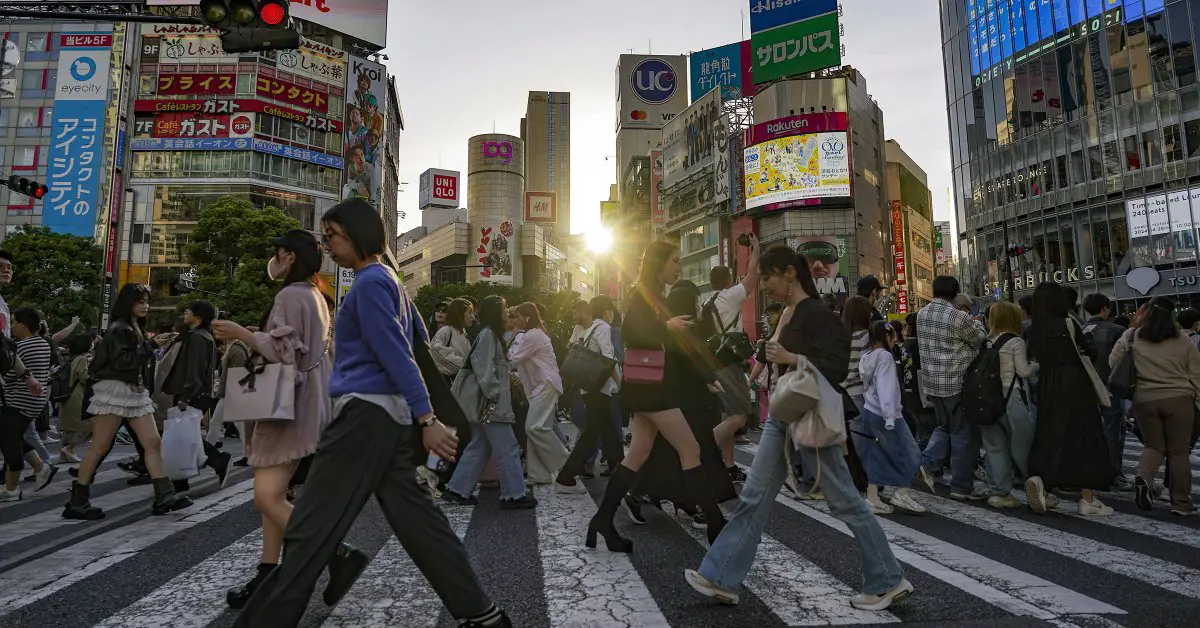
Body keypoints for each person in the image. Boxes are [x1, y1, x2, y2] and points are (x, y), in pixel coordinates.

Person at [233, 199, 511, 628]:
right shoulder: (390, 282)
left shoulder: (368, 284)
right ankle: (481, 613)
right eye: (325, 238)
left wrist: (427, 418)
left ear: (359, 234)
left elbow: (399, 354)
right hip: (385, 421)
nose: (326, 246)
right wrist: (420, 415)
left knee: (310, 528)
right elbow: (416, 345)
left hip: (363, 419)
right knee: (421, 525)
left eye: (333, 236)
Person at [685, 245, 911, 610]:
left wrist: (792, 357)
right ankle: (721, 576)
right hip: (782, 417)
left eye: (768, 277)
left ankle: (888, 578)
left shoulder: (816, 312)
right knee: (754, 499)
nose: (764, 285)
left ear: (789, 273)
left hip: (807, 416)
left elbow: (836, 366)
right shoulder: (789, 311)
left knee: (846, 502)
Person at [213, 229, 339, 609]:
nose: (275, 259)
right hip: (308, 404)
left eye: (278, 253)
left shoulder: (289, 294)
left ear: (289, 257)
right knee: (275, 496)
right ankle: (268, 573)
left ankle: (336, 553)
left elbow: (284, 355)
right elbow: (297, 349)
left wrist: (242, 335)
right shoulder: (315, 295)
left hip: (283, 408)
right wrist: (261, 337)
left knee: (267, 497)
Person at [588, 242, 729, 552]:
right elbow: (633, 334)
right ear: (659, 263)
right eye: (674, 261)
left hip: (645, 387)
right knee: (689, 448)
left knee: (637, 453)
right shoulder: (642, 293)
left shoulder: (648, 292)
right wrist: (669, 326)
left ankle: (602, 519)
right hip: (651, 389)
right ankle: (716, 523)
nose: (678, 267)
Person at [62, 284, 191, 519]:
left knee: (152, 442)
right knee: (100, 446)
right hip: (115, 390)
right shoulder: (120, 328)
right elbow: (123, 361)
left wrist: (150, 348)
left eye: (146, 301)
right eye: (140, 302)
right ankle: (77, 501)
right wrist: (153, 345)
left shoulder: (130, 327)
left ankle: (164, 495)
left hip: (132, 391)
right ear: (128, 303)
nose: (145, 306)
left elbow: (130, 362)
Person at [1024, 282, 1115, 516]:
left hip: (1048, 383)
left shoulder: (1035, 327)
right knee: (1085, 435)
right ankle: (1088, 499)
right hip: (1075, 384)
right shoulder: (1069, 322)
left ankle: (1040, 481)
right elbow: (1089, 352)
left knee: (1049, 432)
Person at [1108, 296, 1200, 516]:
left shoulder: (1131, 336)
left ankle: (1144, 477)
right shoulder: (1182, 339)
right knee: (1178, 452)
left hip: (1144, 399)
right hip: (1179, 398)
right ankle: (1181, 503)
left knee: (1154, 446)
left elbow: (1113, 362)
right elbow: (1197, 374)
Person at [442, 295, 534, 509]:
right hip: (490, 405)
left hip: (486, 404)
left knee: (479, 446)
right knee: (508, 446)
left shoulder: (489, 334)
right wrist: (494, 393)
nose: (506, 312)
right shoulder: (488, 334)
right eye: (503, 308)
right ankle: (514, 494)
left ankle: (457, 489)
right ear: (495, 311)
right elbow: (483, 367)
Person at [914, 276, 986, 501]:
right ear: (955, 293)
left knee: (944, 427)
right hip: (956, 383)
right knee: (964, 434)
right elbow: (979, 340)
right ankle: (961, 486)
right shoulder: (958, 316)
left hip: (932, 384)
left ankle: (926, 465)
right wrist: (978, 322)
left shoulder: (921, 315)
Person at [704, 235, 760, 482]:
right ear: (728, 281)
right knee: (739, 415)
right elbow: (752, 278)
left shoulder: (709, 301)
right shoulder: (730, 296)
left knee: (728, 415)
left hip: (715, 363)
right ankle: (701, 451)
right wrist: (756, 249)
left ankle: (728, 465)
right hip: (729, 363)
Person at [555, 297, 624, 493]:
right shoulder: (602, 328)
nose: (611, 315)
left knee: (607, 430)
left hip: (586, 387)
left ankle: (621, 469)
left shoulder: (581, 329)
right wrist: (620, 384)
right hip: (601, 388)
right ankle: (565, 477)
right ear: (604, 311)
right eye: (610, 311)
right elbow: (609, 360)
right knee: (592, 433)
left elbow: (572, 350)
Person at [162, 300, 231, 492]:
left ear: (198, 316)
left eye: (188, 311)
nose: (185, 314)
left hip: (192, 392)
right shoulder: (202, 336)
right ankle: (180, 482)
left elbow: (194, 369)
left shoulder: (198, 338)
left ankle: (217, 461)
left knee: (184, 435)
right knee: (187, 434)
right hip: (198, 392)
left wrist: (186, 395)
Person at [857, 320, 925, 514]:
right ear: (887, 337)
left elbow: (870, 386)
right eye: (893, 336)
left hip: (870, 410)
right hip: (888, 414)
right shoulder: (885, 357)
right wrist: (889, 416)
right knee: (912, 453)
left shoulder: (867, 356)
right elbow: (886, 387)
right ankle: (902, 494)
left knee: (875, 455)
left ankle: (872, 498)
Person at [979, 301, 1038, 509]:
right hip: (1010, 396)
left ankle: (999, 492)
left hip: (986, 398)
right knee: (1023, 441)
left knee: (994, 446)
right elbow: (1023, 371)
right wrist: (1036, 365)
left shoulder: (986, 341)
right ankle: (1035, 483)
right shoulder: (1015, 341)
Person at [507, 302, 568, 485]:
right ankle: (538, 475)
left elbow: (514, 358)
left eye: (517, 316)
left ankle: (567, 464)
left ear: (526, 317)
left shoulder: (533, 335)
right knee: (538, 429)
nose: (515, 319)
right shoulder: (533, 333)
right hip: (541, 385)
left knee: (534, 427)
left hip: (545, 384)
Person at [1081, 293, 1132, 490]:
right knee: (1113, 431)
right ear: (1105, 308)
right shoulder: (1117, 330)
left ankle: (1093, 470)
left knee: (1091, 431)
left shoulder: (1080, 329)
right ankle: (1114, 473)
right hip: (1111, 386)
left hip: (1086, 387)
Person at [55, 335, 95, 464]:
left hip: (66, 395)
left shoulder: (71, 358)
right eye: (91, 342)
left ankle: (64, 454)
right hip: (77, 395)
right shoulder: (82, 358)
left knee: (69, 428)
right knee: (88, 425)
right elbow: (84, 378)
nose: (92, 344)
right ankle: (70, 448)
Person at [430, 298, 473, 386]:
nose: (472, 316)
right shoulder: (446, 330)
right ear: (459, 314)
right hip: (445, 383)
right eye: (469, 312)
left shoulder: (464, 335)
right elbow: (435, 351)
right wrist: (463, 364)